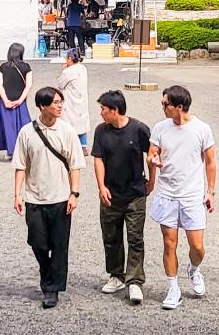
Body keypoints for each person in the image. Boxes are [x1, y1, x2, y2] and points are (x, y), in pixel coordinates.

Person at [13, 87, 85, 309]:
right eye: (55, 102)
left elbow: (75, 165)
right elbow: (20, 165)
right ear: (42, 106)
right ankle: (47, 276)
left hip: (61, 197)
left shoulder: (67, 131)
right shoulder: (27, 132)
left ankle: (52, 289)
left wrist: (74, 193)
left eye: (60, 101)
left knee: (60, 245)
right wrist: (17, 194)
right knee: (38, 243)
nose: (60, 105)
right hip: (35, 197)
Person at [147, 86, 216, 310]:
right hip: (167, 194)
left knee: (197, 247)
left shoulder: (202, 129)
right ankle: (173, 288)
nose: (163, 108)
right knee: (169, 243)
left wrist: (210, 191)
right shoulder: (160, 128)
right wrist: (153, 161)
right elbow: (151, 153)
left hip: (192, 195)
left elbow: (210, 162)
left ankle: (194, 270)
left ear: (179, 107)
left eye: (165, 104)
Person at [92, 90, 153, 304]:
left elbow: (153, 155)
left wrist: (151, 181)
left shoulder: (139, 129)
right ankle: (116, 275)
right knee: (111, 236)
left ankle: (135, 281)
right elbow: (98, 159)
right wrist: (101, 186)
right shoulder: (101, 131)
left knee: (135, 237)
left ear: (115, 110)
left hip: (135, 192)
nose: (101, 114)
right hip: (111, 192)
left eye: (103, 109)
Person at [0, 43, 33, 160]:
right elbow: (28, 85)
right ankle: (25, 151)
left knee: (7, 126)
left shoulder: (3, 67)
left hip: (5, 101)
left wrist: (5, 100)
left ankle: (10, 151)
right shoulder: (26, 67)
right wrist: (20, 100)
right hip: (20, 101)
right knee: (23, 125)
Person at [57, 48, 90, 156]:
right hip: (82, 99)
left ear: (70, 59)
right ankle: (83, 146)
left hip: (70, 100)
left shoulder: (68, 72)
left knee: (69, 122)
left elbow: (60, 85)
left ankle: (69, 145)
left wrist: (64, 71)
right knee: (82, 121)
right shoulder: (83, 69)